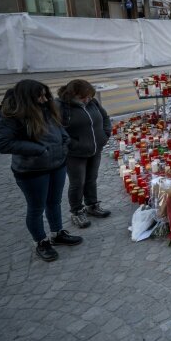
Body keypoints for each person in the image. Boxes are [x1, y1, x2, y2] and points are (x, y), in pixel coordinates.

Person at [0, 80, 83, 262]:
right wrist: (38, 149)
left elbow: (57, 126)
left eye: (45, 94)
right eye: (39, 96)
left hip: (57, 163)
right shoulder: (10, 114)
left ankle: (57, 233)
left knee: (54, 202)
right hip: (32, 170)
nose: (44, 99)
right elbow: (2, 143)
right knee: (36, 208)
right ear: (27, 98)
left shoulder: (46, 106)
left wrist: (65, 141)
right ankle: (41, 242)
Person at [57, 80, 112, 229]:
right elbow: (58, 131)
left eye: (89, 96)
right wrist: (73, 144)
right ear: (73, 95)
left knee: (91, 179)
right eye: (83, 97)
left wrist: (105, 135)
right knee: (77, 183)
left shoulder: (92, 102)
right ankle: (77, 211)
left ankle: (92, 205)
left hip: (95, 149)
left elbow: (105, 118)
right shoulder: (62, 107)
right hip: (75, 153)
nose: (87, 100)